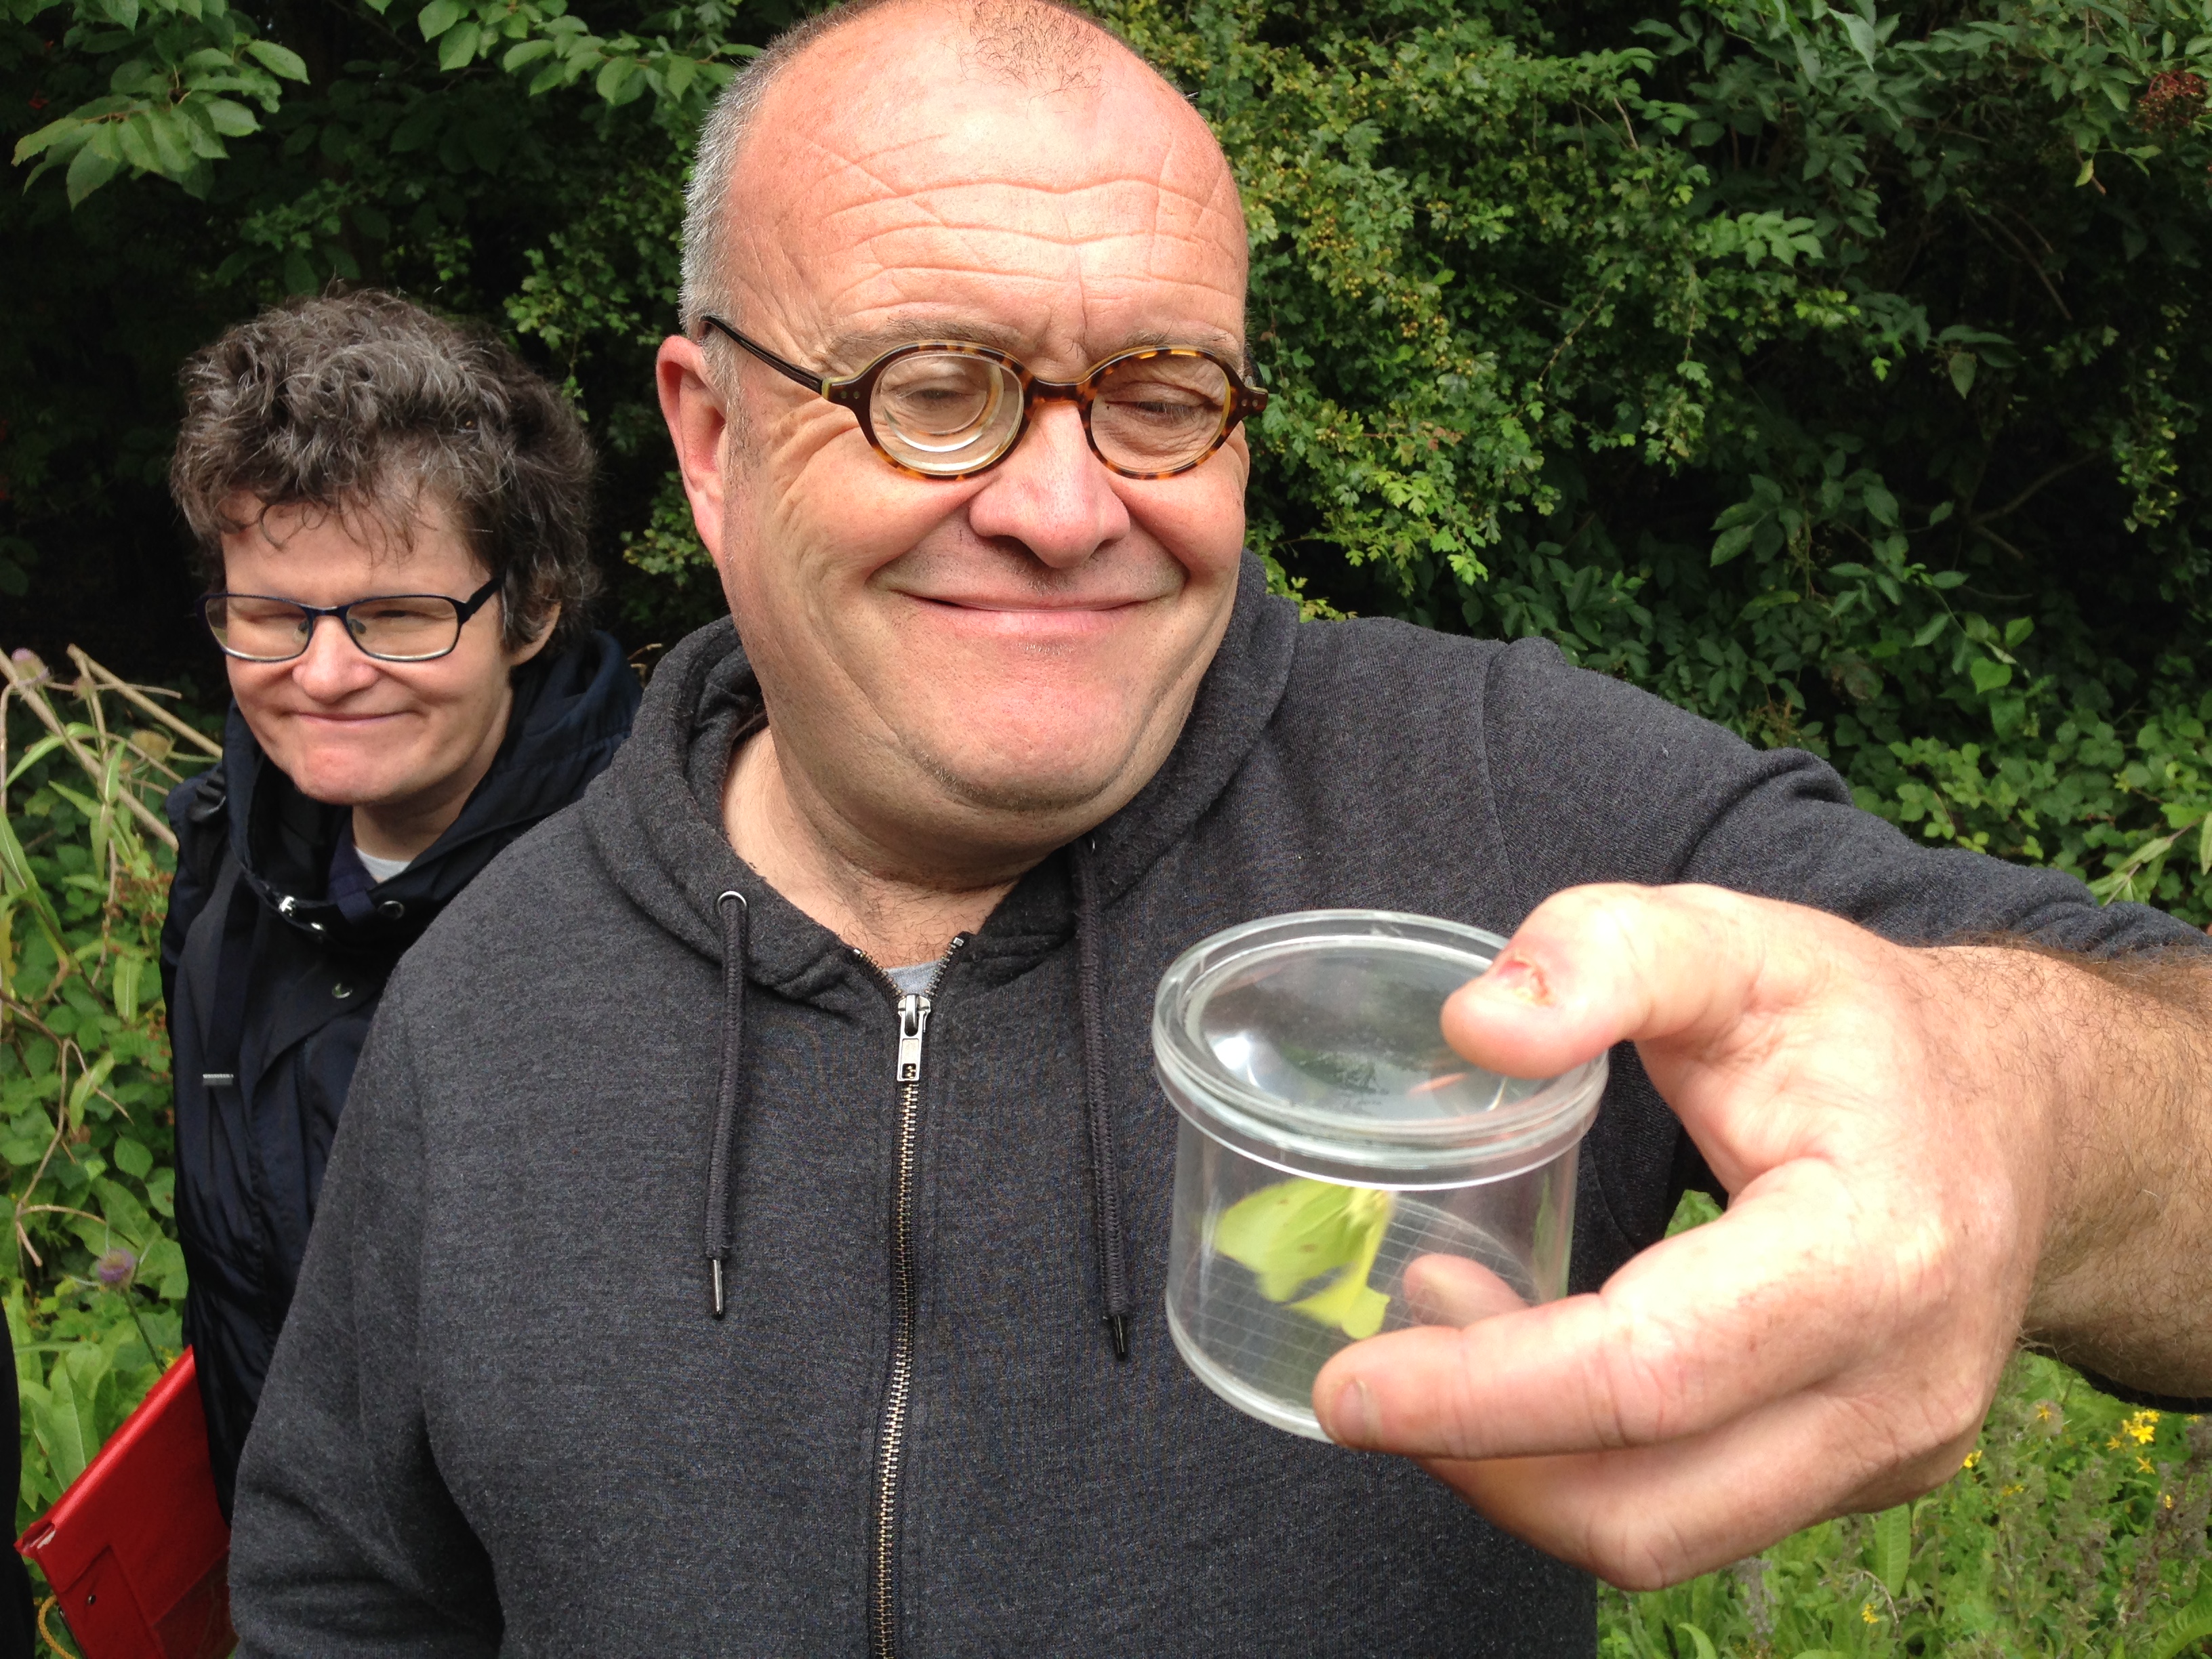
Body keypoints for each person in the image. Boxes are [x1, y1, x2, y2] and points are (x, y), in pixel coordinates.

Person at [227, 4, 2212, 1652]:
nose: (1072, 504)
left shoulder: (1526, 812)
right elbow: (347, 1588)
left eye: (1163, 392)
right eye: (939, 387)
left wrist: (2029, 1104)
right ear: (712, 433)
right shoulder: (493, 986)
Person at [159, 291, 640, 1517]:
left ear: (528, 609)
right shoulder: (229, 859)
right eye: (270, 616)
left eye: (396, 619)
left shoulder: (657, 903)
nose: (324, 675)